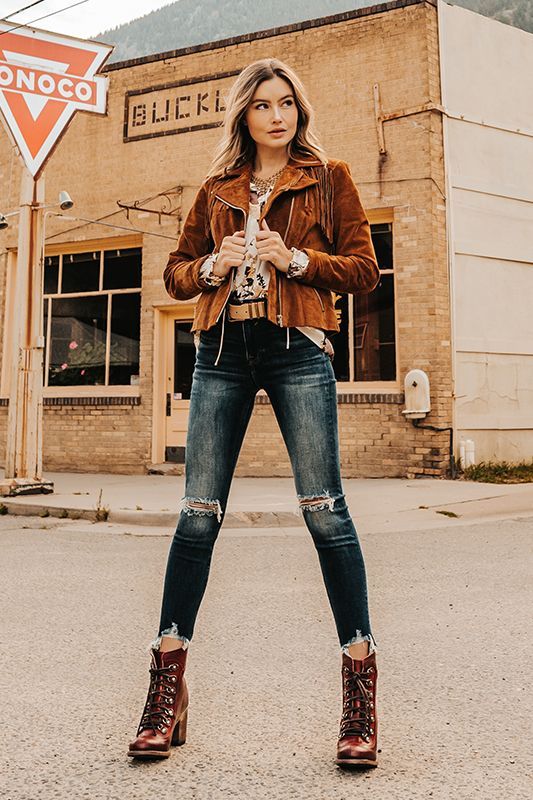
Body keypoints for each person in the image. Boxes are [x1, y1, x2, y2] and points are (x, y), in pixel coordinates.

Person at [128, 57, 381, 768]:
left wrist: (296, 260)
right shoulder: (216, 189)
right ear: (243, 114)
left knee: (324, 509)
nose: (278, 115)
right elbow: (176, 270)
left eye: (287, 103)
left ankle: (359, 695)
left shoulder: (328, 180)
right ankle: (165, 687)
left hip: (297, 349)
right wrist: (210, 266)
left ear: (299, 111)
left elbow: (363, 269)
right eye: (263, 104)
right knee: (196, 513)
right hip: (221, 354)